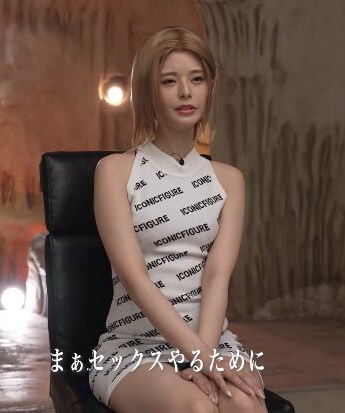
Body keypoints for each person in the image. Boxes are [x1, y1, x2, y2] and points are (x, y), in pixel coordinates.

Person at [88, 26, 267, 413]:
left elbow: (217, 276)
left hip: (214, 343)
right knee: (197, 407)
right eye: (169, 81)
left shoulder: (229, 180)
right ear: (148, 91)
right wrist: (199, 358)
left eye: (197, 79)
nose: (186, 92)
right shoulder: (114, 171)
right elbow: (134, 277)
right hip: (134, 348)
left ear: (209, 87)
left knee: (246, 406)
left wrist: (205, 357)